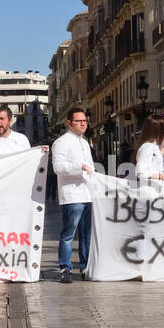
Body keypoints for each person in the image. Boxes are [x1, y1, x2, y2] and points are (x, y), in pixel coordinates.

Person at [52, 106, 95, 283]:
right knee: (69, 234)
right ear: (69, 123)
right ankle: (65, 268)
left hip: (87, 194)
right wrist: (80, 168)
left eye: (84, 121)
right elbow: (58, 167)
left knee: (86, 235)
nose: (83, 124)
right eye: (78, 121)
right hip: (71, 195)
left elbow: (91, 169)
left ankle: (85, 266)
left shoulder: (85, 142)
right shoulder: (61, 142)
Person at [134, 116, 164, 185]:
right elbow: (140, 173)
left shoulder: (152, 145)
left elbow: (154, 162)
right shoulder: (147, 147)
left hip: (154, 190)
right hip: (149, 191)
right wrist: (161, 176)